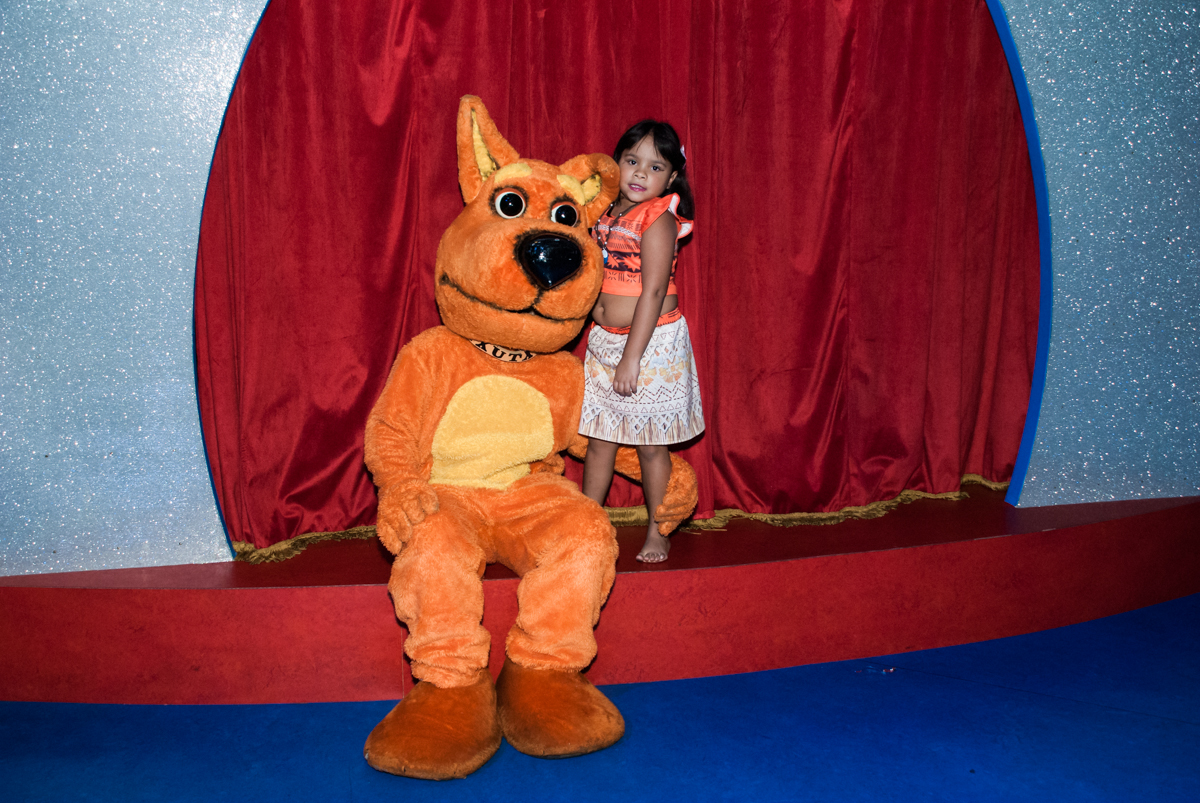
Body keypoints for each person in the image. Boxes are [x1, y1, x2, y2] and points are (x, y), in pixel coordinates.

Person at [578, 120, 705, 563]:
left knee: (651, 444)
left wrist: (632, 358)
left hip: (649, 345)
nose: (639, 173)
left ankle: (659, 528)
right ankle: (586, 523)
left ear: (670, 178)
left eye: (654, 167)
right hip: (604, 342)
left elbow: (652, 291)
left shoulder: (659, 218)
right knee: (600, 439)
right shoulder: (606, 212)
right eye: (632, 161)